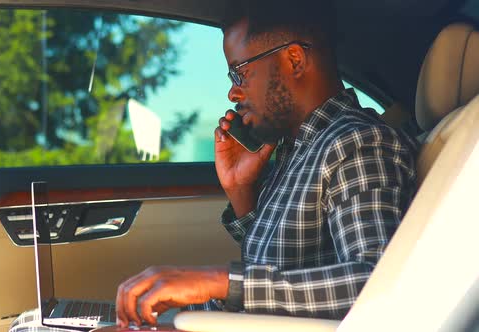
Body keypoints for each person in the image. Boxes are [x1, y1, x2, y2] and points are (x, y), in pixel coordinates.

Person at [115, 0, 418, 327]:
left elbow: (375, 283)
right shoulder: (297, 146)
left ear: (294, 60)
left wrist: (219, 281)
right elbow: (288, 259)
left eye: (239, 73)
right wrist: (241, 190)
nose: (232, 92)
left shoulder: (357, 143)